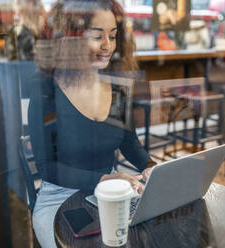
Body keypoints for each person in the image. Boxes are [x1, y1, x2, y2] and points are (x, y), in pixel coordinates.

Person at [28, 0, 155, 246]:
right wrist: (101, 179)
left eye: (113, 36)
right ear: (69, 39)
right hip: (58, 199)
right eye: (97, 36)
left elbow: (130, 144)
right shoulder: (47, 93)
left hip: (109, 193)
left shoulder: (117, 90)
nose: (107, 46)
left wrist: (151, 167)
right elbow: (46, 168)